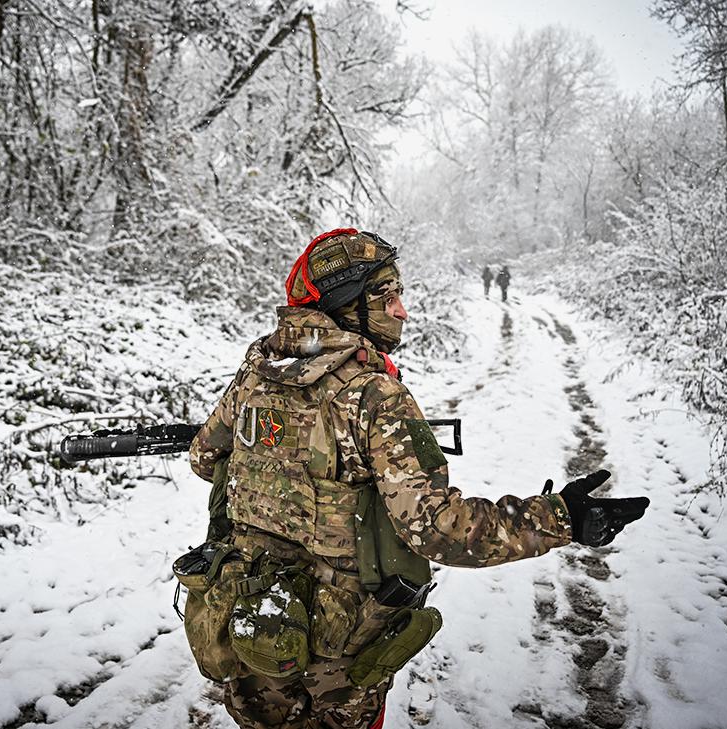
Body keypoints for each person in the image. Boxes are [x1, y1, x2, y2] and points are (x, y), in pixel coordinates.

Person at [185, 228, 649, 729]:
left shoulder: (258, 373)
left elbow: (206, 459)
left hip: (251, 620)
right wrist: (562, 518)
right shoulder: (374, 395)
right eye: (387, 296)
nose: (402, 310)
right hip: (336, 647)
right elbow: (439, 529)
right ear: (347, 305)